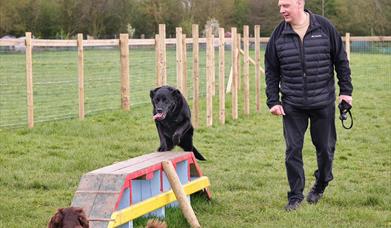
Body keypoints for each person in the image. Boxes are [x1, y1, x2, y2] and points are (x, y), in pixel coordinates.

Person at [265, 0, 353, 211]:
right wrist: (273, 101)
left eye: (286, 5)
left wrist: (346, 92)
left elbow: (341, 60)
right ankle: (295, 196)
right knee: (292, 150)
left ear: (299, 3)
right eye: (279, 6)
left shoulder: (324, 27)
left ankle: (321, 183)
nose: (281, 10)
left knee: (325, 148)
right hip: (292, 103)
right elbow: (271, 71)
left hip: (322, 101)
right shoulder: (277, 35)